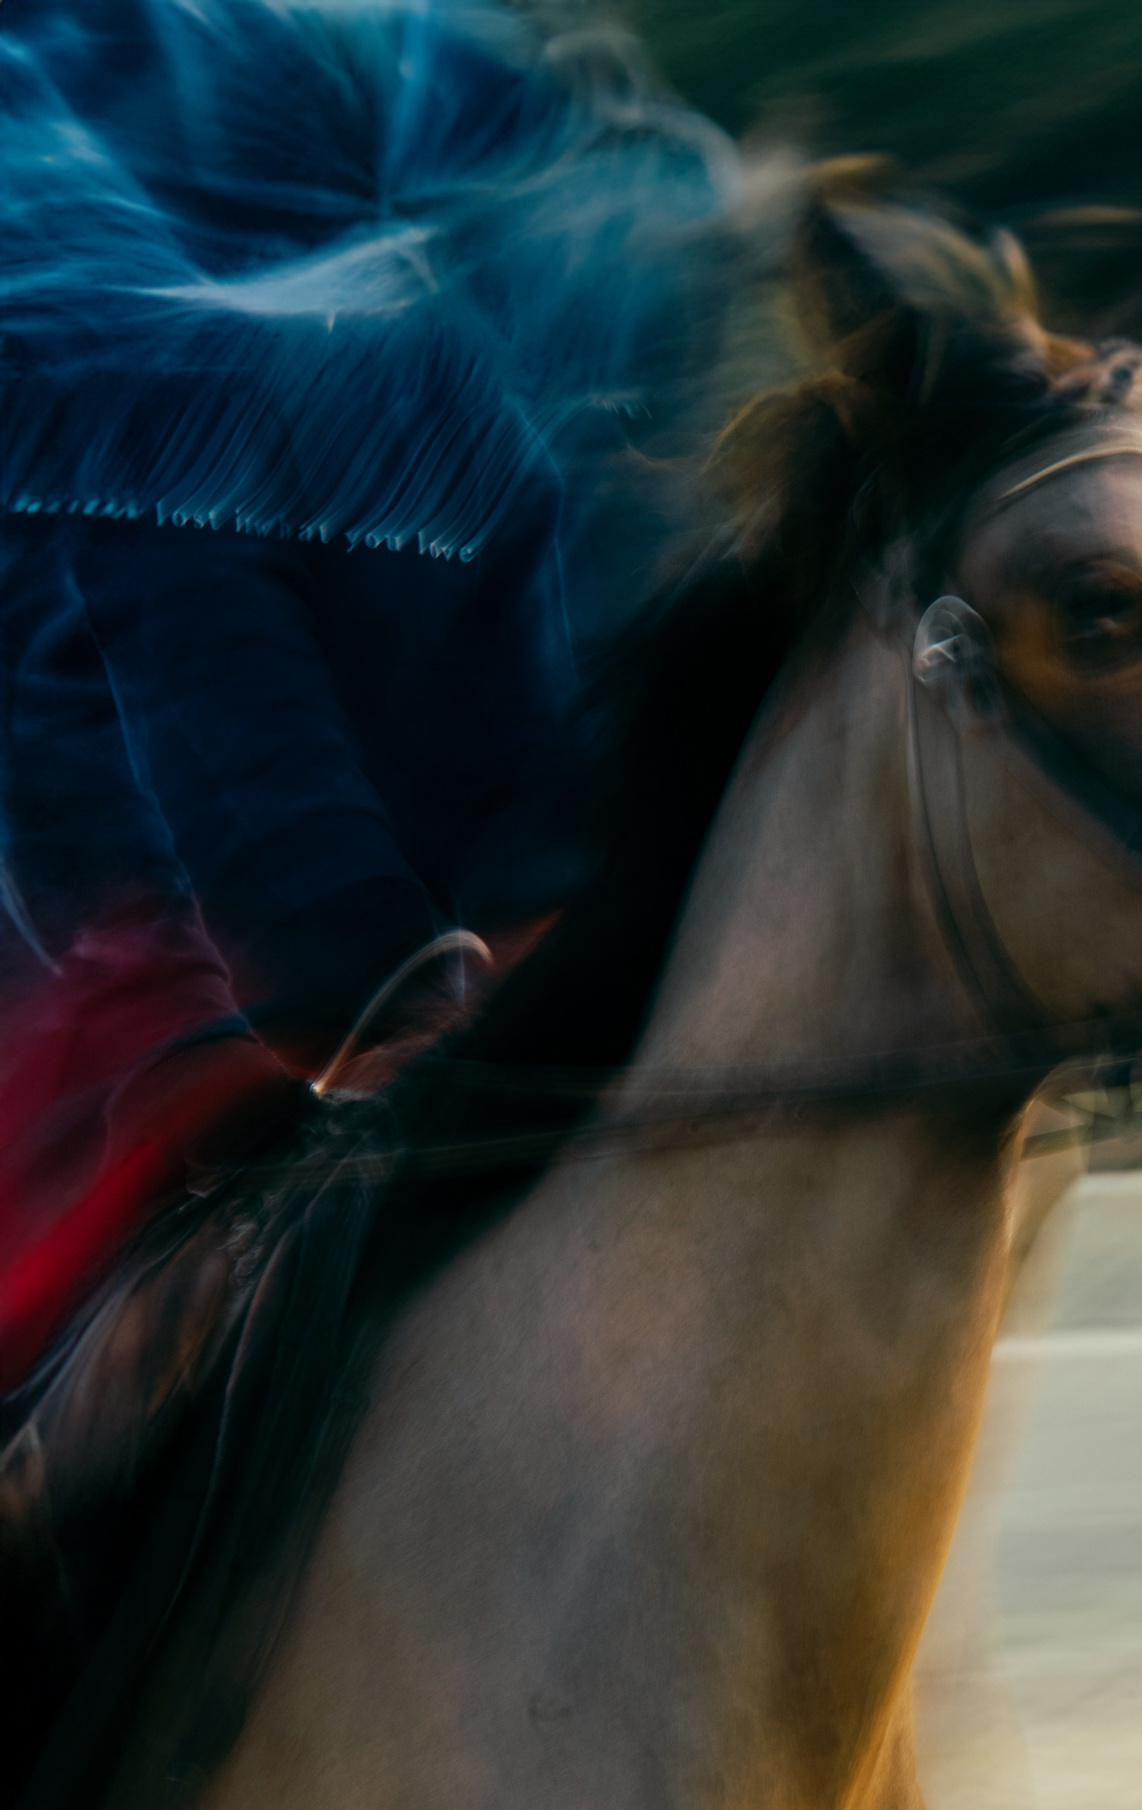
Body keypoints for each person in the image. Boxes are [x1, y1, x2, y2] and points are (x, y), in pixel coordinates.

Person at [0, 0, 741, 1385]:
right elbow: (163, 544)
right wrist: (365, 971)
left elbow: (618, 209)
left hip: (428, 832)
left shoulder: (347, 61)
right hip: (135, 900)